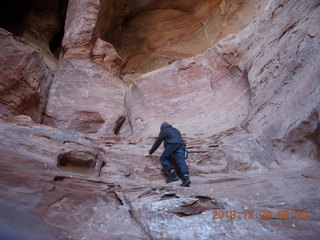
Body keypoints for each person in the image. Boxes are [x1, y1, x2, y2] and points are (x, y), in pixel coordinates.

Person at [148, 122, 191, 187]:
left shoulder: (164, 130)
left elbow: (158, 141)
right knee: (181, 161)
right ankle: (186, 177)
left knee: (163, 159)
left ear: (162, 128)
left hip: (172, 144)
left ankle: (173, 174)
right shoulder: (176, 130)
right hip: (181, 145)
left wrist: (151, 151)